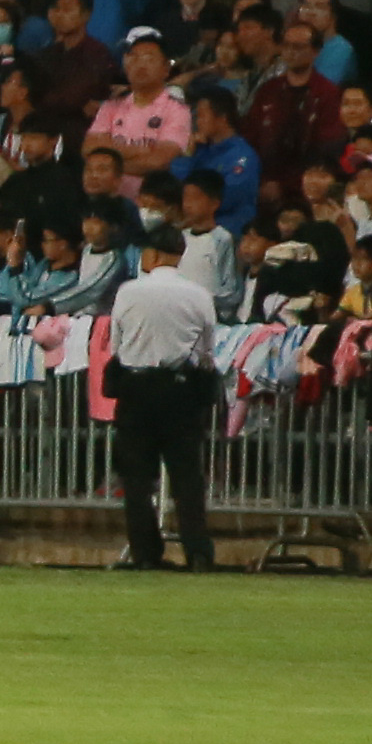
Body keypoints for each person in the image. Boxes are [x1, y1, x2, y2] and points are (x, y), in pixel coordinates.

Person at [104, 198, 220, 569]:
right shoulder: (199, 295)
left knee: (137, 481)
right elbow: (206, 350)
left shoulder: (129, 292)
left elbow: (118, 345)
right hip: (181, 390)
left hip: (137, 389)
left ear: (151, 255)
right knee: (187, 478)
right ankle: (198, 553)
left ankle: (145, 554)